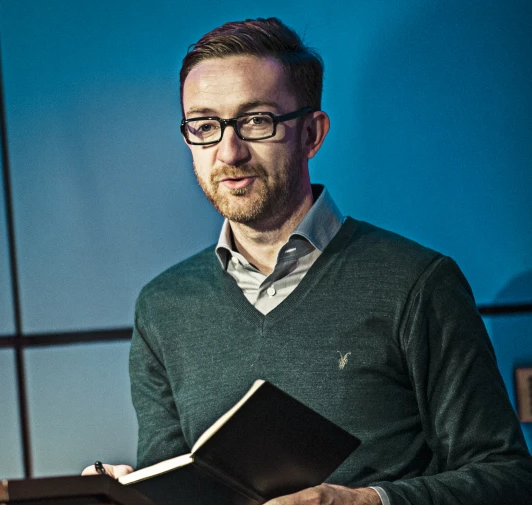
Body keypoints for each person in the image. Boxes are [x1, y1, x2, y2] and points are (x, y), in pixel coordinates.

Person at [83, 17, 532, 505]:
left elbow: (507, 479)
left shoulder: (417, 283)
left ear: (311, 134)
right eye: (205, 126)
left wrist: (365, 503)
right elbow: (171, 487)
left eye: (256, 120)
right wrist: (122, 495)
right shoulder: (163, 306)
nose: (228, 152)